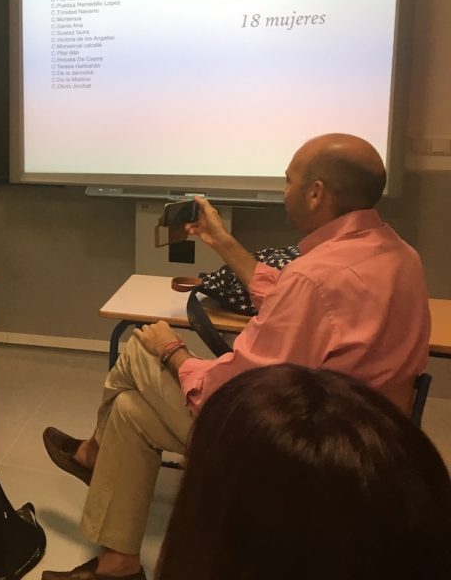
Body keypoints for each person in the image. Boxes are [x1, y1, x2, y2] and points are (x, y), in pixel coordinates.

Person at [41, 133, 431, 580]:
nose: (284, 190)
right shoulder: (401, 255)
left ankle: (93, 454)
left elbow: (232, 392)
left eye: (288, 180)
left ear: (316, 193)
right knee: (130, 412)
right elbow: (293, 298)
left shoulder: (314, 278)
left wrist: (170, 349)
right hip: (372, 445)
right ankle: (119, 563)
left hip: (300, 452)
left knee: (137, 349)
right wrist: (221, 240)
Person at [156, 364, 451, 580]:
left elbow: (246, 376)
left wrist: (172, 351)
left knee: (139, 375)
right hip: (369, 435)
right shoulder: (396, 457)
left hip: (298, 449)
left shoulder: (309, 289)